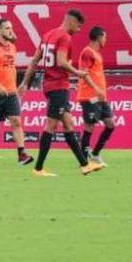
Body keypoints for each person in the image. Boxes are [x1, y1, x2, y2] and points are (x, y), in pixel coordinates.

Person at [18, 10, 105, 177]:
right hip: (58, 86)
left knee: (68, 123)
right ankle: (38, 168)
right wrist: (78, 72)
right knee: (51, 126)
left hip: (50, 86)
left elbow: (35, 61)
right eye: (78, 26)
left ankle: (85, 165)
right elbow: (61, 62)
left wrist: (24, 83)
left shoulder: (48, 35)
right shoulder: (65, 37)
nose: (79, 30)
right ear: (71, 21)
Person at [0, 18, 33, 166]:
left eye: (11, 28)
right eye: (7, 28)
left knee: (16, 121)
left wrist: (16, 87)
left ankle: (21, 154)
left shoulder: (12, 46)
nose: (11, 31)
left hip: (11, 91)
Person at [78, 26, 114, 166]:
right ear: (98, 37)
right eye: (104, 37)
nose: (106, 39)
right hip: (90, 96)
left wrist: (101, 92)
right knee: (89, 126)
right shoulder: (87, 53)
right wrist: (96, 89)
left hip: (100, 97)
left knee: (110, 124)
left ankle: (95, 154)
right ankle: (84, 160)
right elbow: (84, 73)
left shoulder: (97, 54)